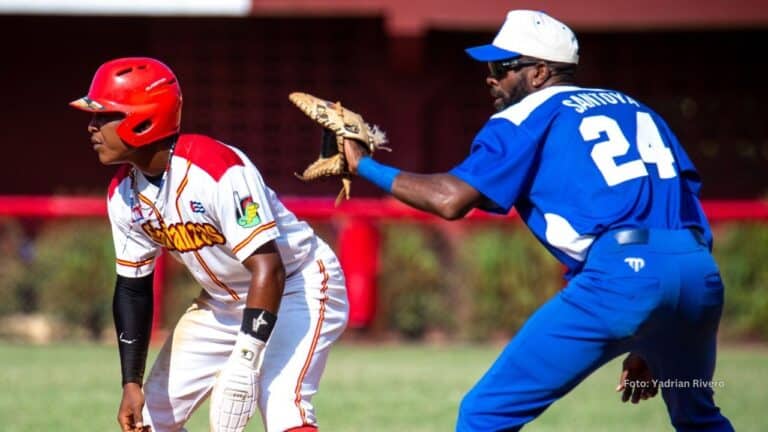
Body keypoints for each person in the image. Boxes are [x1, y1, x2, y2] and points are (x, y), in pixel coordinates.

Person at [342, 9, 734, 432]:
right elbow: (689, 206)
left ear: (540, 72)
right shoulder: (637, 109)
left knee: (483, 415)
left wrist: (362, 164)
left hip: (621, 279)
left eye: (501, 67)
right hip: (696, 274)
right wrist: (657, 335)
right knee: (699, 419)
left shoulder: (525, 116)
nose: (490, 78)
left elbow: (450, 200)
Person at [70, 57, 348, 432]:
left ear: (144, 118)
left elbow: (269, 267)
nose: (92, 127)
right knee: (147, 421)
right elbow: (133, 290)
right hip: (224, 302)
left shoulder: (215, 168)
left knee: (282, 402)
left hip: (299, 285)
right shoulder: (123, 194)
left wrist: (246, 360)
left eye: (105, 116)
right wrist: (131, 382)